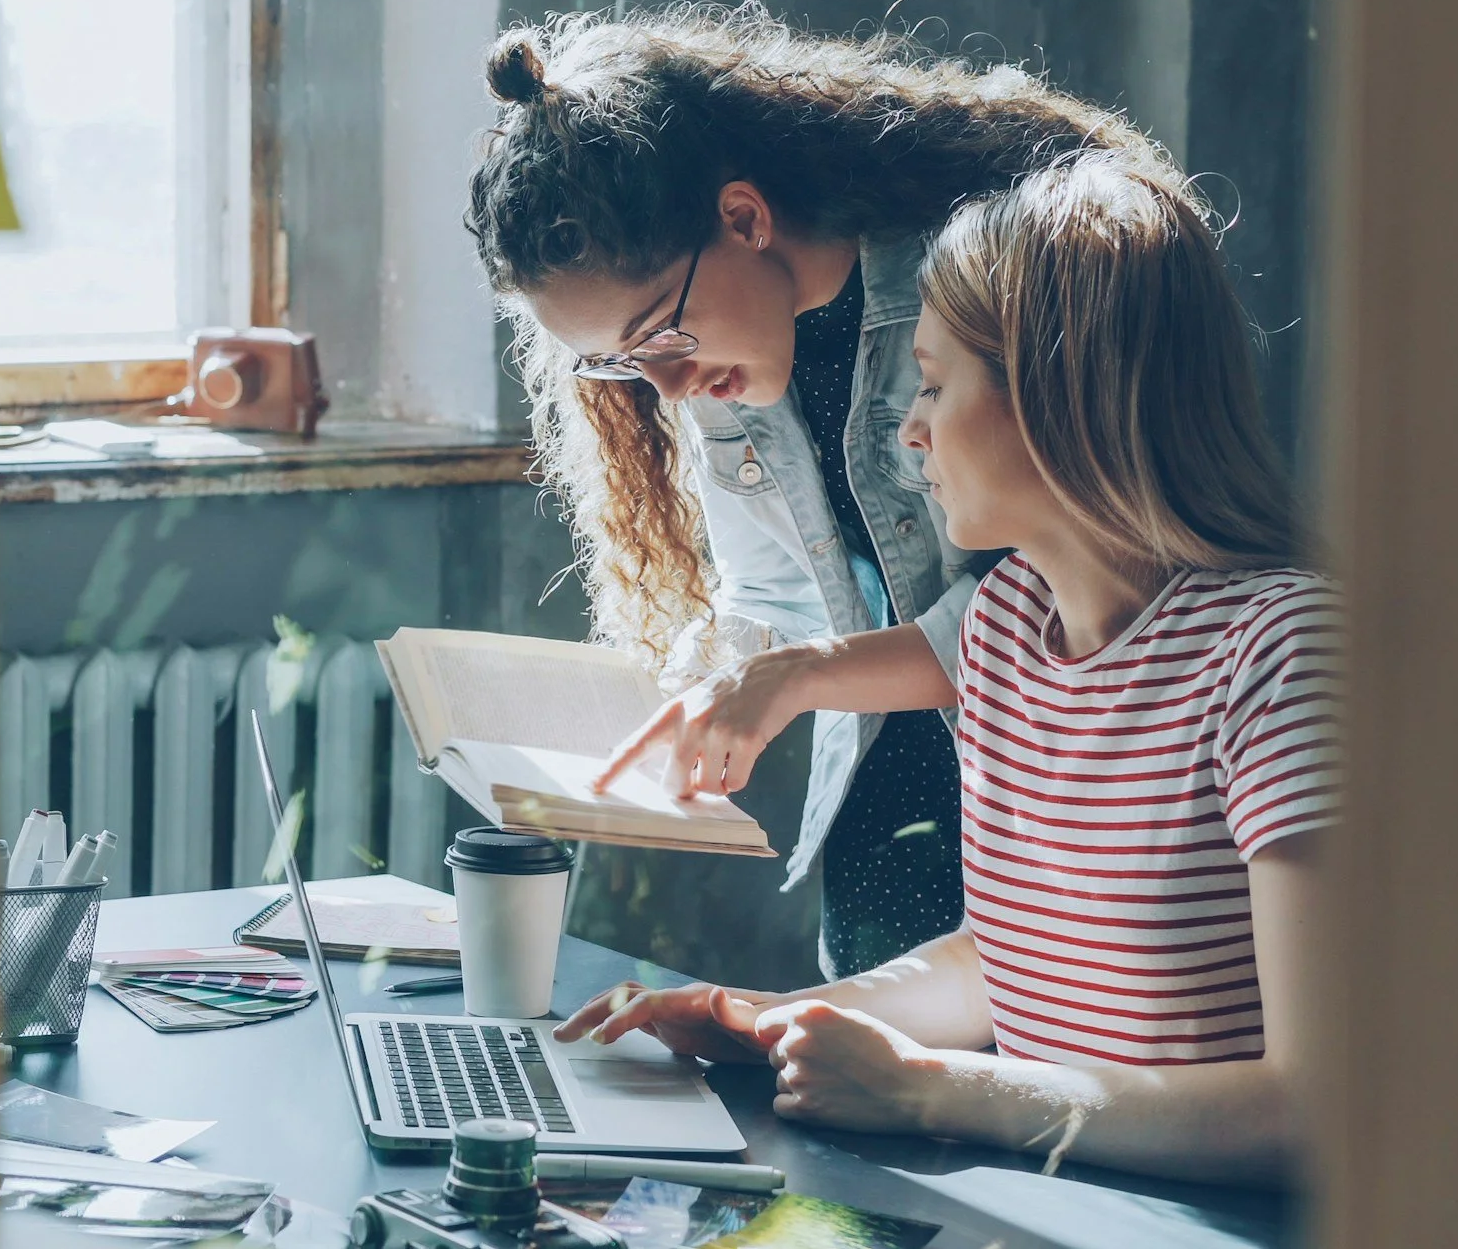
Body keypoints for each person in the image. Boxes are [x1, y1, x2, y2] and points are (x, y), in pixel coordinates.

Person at [554, 153, 1338, 1185]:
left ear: (1059, 392)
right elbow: (996, 962)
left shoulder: (1281, 653)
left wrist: (932, 1090)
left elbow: (1315, 1108)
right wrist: (772, 1022)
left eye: (932, 383)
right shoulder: (1004, 628)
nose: (912, 431)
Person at [464, 3, 1173, 978]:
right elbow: (771, 602)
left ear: (745, 219)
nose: (665, 386)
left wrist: (788, 679)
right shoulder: (717, 364)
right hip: (881, 822)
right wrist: (697, 685)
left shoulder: (974, 281)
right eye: (618, 364)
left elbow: (1062, 613)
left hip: (1049, 810)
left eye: (661, 335)